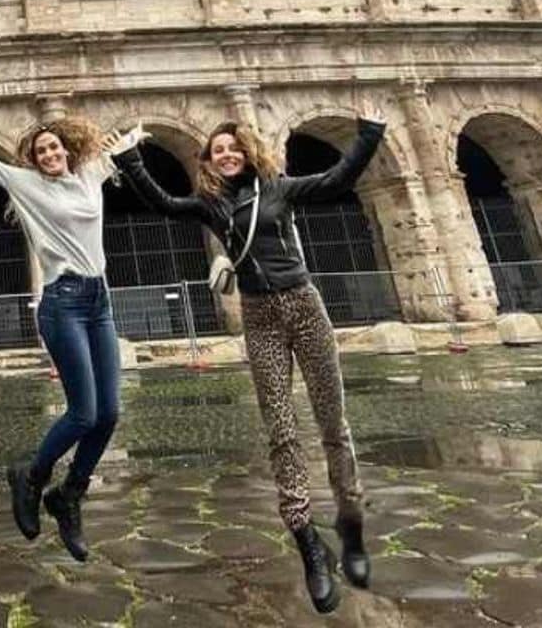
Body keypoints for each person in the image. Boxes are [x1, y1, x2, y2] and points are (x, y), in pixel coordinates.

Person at [113, 117, 386, 615]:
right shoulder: (212, 204)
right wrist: (130, 158)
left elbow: (337, 180)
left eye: (233, 147)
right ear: (208, 160)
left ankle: (351, 527)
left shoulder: (278, 188)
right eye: (217, 149)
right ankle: (308, 544)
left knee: (333, 424)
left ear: (247, 150)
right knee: (280, 429)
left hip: (304, 305)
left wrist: (367, 134)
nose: (226, 154)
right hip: (258, 317)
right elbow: (165, 204)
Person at [0, 106, 144, 562]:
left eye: (54, 146)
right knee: (83, 412)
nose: (49, 153)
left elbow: (122, 145)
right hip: (63, 302)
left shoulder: (91, 176)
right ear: (34, 161)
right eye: (41, 151)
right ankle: (31, 476)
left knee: (110, 413)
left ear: (66, 151)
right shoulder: (26, 184)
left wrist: (137, 135)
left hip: (99, 302)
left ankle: (69, 494)